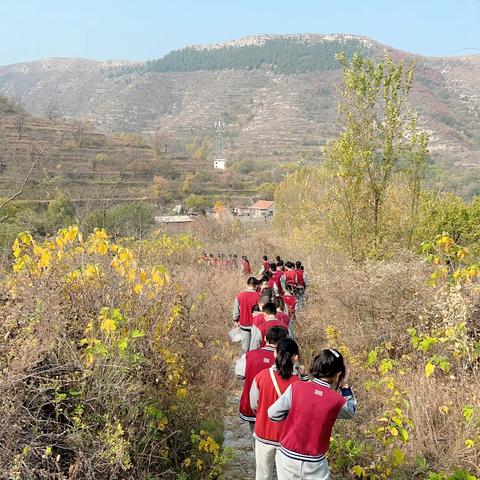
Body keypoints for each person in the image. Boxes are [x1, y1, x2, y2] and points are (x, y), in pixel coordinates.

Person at [268, 349, 357, 480]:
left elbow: (272, 413)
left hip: (288, 456)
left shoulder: (296, 388)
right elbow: (350, 411)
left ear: (316, 366)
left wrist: (293, 417)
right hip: (315, 462)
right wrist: (345, 386)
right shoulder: (336, 400)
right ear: (338, 374)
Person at [249, 338, 306, 480]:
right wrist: (305, 378)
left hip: (263, 433)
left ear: (274, 354)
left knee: (262, 475)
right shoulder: (298, 384)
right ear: (295, 357)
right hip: (286, 440)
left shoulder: (261, 376)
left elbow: (254, 404)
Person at [235, 327, 288, 433]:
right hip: (276, 407)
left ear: (265, 338)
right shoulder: (285, 360)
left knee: (255, 434)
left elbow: (239, 374)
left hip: (252, 406)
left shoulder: (249, 355)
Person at [232, 277, 261, 352]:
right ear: (256, 285)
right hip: (256, 325)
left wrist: (236, 320)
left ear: (247, 284)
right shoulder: (259, 296)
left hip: (244, 325)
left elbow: (236, 311)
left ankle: (243, 362)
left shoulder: (240, 295)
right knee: (255, 348)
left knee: (245, 348)